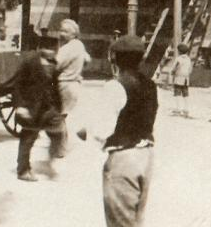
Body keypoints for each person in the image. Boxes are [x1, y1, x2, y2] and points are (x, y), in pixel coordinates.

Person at [77, 36, 158, 227]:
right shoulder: (150, 85)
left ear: (115, 58)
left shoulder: (115, 86)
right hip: (146, 156)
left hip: (124, 159)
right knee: (136, 219)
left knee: (120, 222)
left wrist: (85, 132)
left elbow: (102, 129)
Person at [15, 47, 64, 181]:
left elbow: (55, 88)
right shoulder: (29, 64)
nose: (50, 64)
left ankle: (51, 159)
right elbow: (18, 85)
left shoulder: (54, 65)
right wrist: (20, 106)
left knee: (58, 133)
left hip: (49, 108)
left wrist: (59, 108)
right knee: (28, 138)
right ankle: (23, 170)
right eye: (47, 60)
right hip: (32, 108)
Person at [55, 19, 91, 154]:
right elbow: (87, 59)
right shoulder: (80, 45)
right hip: (75, 84)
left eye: (65, 31)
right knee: (69, 113)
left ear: (73, 34)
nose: (61, 34)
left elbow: (57, 65)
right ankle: (80, 128)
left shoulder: (66, 48)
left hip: (64, 84)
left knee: (60, 116)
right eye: (61, 30)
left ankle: (61, 148)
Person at [170, 43, 192, 118]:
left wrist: (172, 72)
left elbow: (174, 68)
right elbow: (190, 69)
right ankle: (186, 109)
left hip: (178, 77)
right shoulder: (188, 59)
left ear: (179, 51)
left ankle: (178, 109)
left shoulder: (178, 58)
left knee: (177, 93)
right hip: (186, 78)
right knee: (185, 94)